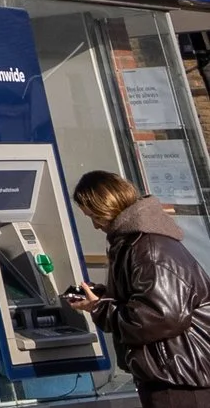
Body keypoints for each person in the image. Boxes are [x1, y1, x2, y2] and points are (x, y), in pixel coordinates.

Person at [64, 170, 210, 408]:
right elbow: (151, 301)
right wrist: (105, 297)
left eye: (94, 216)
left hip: (178, 378)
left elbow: (161, 316)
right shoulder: (140, 242)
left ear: (107, 206)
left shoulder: (148, 248)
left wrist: (100, 308)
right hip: (174, 374)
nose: (95, 226)